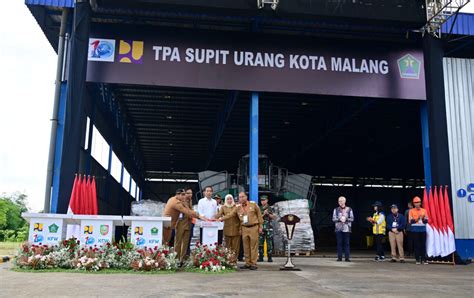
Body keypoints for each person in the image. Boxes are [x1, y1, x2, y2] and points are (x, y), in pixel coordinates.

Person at [220, 192, 263, 270]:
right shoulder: (238, 207)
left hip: (253, 227)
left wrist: (260, 226)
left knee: (253, 246)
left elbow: (259, 215)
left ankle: (253, 263)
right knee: (246, 247)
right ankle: (247, 263)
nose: (241, 198)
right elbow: (230, 214)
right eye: (240, 197)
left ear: (246, 197)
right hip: (244, 228)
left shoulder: (253, 205)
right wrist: (220, 219)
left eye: (243, 196)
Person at [174, 188, 194, 266]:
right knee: (178, 242)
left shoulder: (190, 201)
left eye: (191, 193)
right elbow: (188, 211)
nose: (189, 195)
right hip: (180, 224)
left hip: (188, 224)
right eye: (188, 193)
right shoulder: (181, 201)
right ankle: (176, 259)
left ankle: (182, 260)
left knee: (185, 243)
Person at [332, 196, 354, 262]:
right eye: (339, 201)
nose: (340, 202)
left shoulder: (349, 209)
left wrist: (346, 219)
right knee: (339, 243)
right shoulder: (336, 210)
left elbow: (352, 218)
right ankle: (339, 257)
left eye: (341, 201)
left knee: (347, 243)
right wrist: (339, 219)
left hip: (347, 229)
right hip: (338, 229)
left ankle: (347, 258)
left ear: (344, 201)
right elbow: (333, 219)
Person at [409, 196, 429, 265]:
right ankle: (417, 259)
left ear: (420, 203)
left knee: (423, 244)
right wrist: (418, 218)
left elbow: (426, 221)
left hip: (423, 229)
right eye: (415, 203)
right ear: (414, 204)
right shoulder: (411, 211)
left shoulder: (424, 210)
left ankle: (424, 259)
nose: (417, 204)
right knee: (416, 245)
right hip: (415, 230)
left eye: (418, 202)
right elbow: (411, 221)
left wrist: (423, 219)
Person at [258, 195, 276, 262]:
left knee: (269, 243)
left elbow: (274, 217)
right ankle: (261, 257)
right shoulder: (259, 208)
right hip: (261, 227)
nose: (263, 201)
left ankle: (270, 257)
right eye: (262, 200)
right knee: (260, 243)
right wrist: (263, 214)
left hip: (269, 228)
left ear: (267, 200)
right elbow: (258, 218)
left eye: (264, 200)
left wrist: (268, 214)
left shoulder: (270, 208)